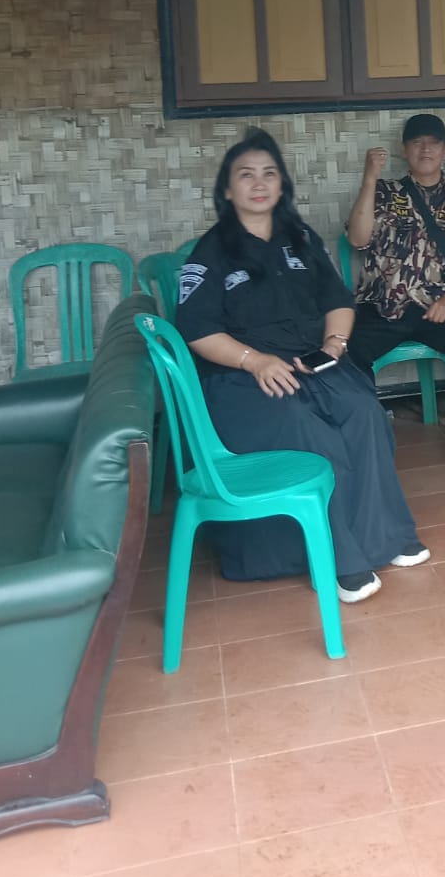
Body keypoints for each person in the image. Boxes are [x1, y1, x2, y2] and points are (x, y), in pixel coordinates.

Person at [176, 129, 426, 606]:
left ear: (282, 184)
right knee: (307, 430)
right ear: (227, 188)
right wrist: (254, 361)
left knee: (363, 411)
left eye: (269, 173)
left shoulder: (301, 238)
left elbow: (337, 300)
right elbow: (196, 329)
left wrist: (334, 344)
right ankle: (334, 559)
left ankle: (384, 537)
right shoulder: (210, 253)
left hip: (310, 363)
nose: (259, 184)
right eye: (245, 175)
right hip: (242, 376)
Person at [344, 114, 445, 479]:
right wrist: (369, 179)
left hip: (437, 309)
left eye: (433, 143)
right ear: (405, 150)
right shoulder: (382, 192)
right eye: (417, 143)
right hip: (384, 306)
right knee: (344, 344)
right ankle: (366, 443)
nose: (426, 149)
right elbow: (357, 238)